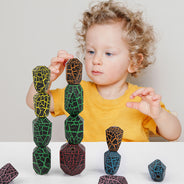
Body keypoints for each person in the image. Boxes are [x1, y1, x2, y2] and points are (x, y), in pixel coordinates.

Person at [26, 0, 181, 142]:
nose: (96, 60)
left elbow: (174, 134)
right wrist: (47, 78)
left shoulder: (140, 99)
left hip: (128, 171)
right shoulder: (76, 92)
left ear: (134, 62)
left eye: (108, 53)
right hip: (83, 170)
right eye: (91, 51)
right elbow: (34, 103)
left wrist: (158, 114)